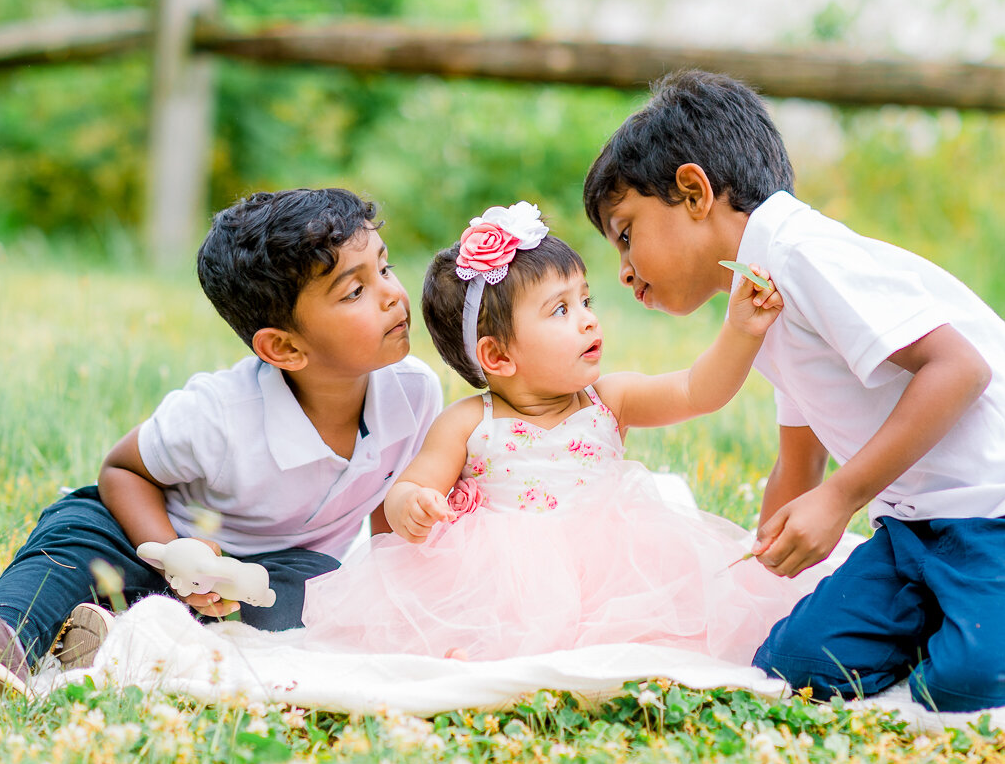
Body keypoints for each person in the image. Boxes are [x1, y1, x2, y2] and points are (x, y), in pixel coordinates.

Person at [583, 70, 1005, 713]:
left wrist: (840, 498)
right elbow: (800, 456)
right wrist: (762, 566)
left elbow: (958, 369)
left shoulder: (805, 255)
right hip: (917, 531)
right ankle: (969, 611)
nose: (622, 270)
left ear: (694, 192)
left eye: (626, 234)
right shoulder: (755, 295)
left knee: (968, 685)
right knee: (797, 668)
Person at [0, 188, 443, 695]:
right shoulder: (221, 414)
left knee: (315, 595)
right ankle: (7, 635)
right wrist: (174, 554)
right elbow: (122, 469)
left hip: (260, 576)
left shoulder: (413, 395)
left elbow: (388, 515)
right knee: (76, 531)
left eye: (385, 269)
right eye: (355, 291)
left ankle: (114, 643)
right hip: (152, 539)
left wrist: (388, 599)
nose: (393, 296)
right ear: (285, 348)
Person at [298, 202, 841, 663]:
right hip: (501, 579)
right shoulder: (469, 422)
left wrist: (740, 329)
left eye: (586, 300)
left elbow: (699, 390)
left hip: (614, 566)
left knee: (654, 633)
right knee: (466, 643)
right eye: (560, 309)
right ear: (496, 355)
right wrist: (413, 506)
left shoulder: (610, 398)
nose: (587, 320)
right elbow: (411, 487)